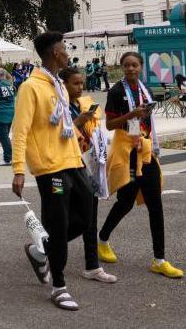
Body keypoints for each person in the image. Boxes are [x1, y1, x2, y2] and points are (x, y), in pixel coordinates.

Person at [11, 31, 95, 311]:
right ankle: (59, 287)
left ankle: (39, 250)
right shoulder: (30, 87)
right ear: (53, 53)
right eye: (63, 47)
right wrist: (19, 170)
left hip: (73, 161)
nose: (67, 50)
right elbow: (20, 131)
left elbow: (60, 122)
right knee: (58, 225)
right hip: (49, 167)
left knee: (85, 217)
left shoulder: (58, 84)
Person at [98, 51, 184, 279]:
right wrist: (131, 115)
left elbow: (146, 120)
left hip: (145, 151)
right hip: (126, 152)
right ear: (122, 68)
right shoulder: (117, 91)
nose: (131, 69)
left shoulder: (145, 89)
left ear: (141, 66)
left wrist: (143, 116)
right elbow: (109, 125)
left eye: (135, 65)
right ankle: (102, 239)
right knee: (125, 202)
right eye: (126, 66)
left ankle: (160, 260)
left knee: (156, 205)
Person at [59, 66, 117, 284]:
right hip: (66, 167)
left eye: (82, 83)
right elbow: (57, 136)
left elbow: (94, 132)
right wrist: (78, 122)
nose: (80, 87)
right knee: (67, 217)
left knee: (90, 217)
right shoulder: (60, 106)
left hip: (88, 165)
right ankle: (45, 247)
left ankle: (92, 265)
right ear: (63, 84)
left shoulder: (82, 104)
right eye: (75, 83)